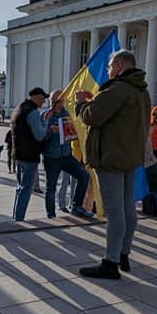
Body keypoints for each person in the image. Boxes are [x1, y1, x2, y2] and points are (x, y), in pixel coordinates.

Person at [75, 50, 150, 279]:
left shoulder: (117, 89)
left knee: (114, 210)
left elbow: (92, 117)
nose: (108, 70)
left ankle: (111, 262)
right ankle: (123, 253)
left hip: (110, 157)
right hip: (129, 156)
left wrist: (80, 104)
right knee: (128, 208)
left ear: (118, 65)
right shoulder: (141, 91)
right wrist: (95, 101)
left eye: (109, 66)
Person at [42, 90, 94, 219]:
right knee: (51, 187)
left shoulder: (69, 114)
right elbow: (39, 136)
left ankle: (76, 206)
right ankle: (51, 215)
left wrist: (74, 131)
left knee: (83, 176)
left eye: (57, 101)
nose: (55, 104)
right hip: (51, 156)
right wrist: (49, 131)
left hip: (66, 155)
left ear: (62, 101)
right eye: (52, 101)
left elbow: (76, 132)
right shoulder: (45, 115)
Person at [10, 87, 51, 221]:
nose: (44, 102)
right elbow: (39, 135)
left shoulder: (19, 108)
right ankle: (19, 219)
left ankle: (16, 217)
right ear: (36, 97)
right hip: (29, 156)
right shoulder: (32, 112)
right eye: (43, 98)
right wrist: (46, 122)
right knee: (26, 190)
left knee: (19, 188)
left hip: (18, 154)